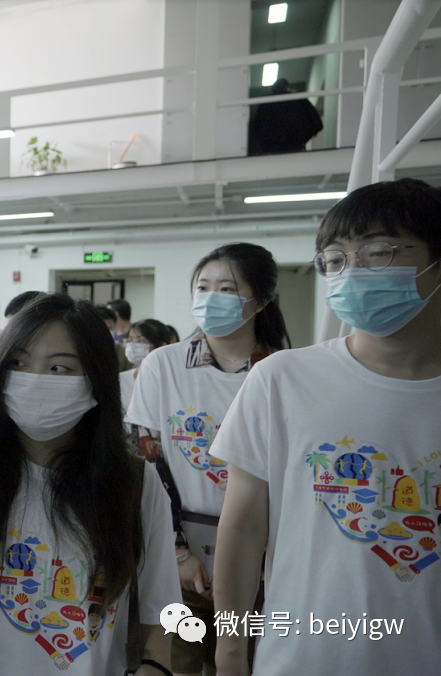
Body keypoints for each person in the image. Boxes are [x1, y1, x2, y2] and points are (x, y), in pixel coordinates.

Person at [212, 179, 441, 676]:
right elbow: (244, 528)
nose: (352, 272)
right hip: (302, 659)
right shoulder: (282, 379)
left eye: (378, 252)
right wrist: (230, 651)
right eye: (335, 260)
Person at [0, 294, 179, 676]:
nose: (35, 380)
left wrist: (157, 663)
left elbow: (162, 600)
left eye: (59, 368)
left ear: (96, 380)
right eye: (18, 363)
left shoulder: (132, 480)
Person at [125, 242, 290, 676]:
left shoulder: (282, 371)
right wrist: (177, 552)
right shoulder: (163, 365)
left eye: (227, 288)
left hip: (262, 556)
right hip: (175, 553)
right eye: (203, 287)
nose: (211, 297)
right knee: (176, 663)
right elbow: (148, 463)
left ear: (261, 301)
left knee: (242, 664)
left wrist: (257, 557)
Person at [120, 320, 172, 414]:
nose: (132, 345)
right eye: (130, 340)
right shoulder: (121, 380)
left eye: (140, 341)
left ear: (162, 346)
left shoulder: (171, 380)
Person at [94, 305, 133, 372]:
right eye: (102, 328)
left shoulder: (120, 350)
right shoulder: (84, 349)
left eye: (110, 328)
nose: (106, 332)